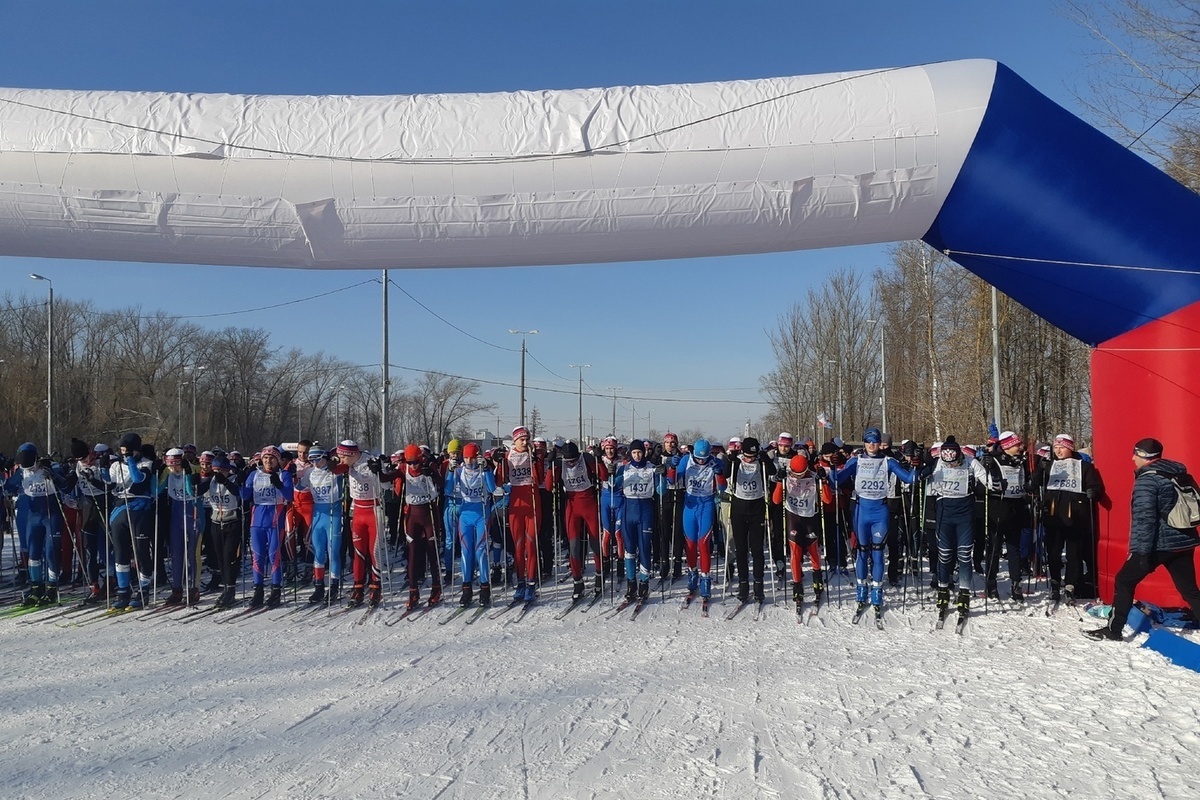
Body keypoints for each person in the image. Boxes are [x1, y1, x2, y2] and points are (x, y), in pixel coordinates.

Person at [1087, 438, 1200, 640]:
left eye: (1135, 454)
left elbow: (1145, 519)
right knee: (1189, 590)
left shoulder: (1148, 479)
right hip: (1184, 542)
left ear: (1145, 457)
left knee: (1123, 581)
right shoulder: (1177, 472)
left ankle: (1113, 630)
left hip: (1158, 544)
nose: (1132, 458)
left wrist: (1140, 553)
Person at [834, 427, 916, 620]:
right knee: (863, 552)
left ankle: (877, 593)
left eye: (875, 441)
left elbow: (910, 479)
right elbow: (835, 482)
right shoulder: (856, 461)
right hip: (861, 511)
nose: (872, 445)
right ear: (864, 442)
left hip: (880, 511)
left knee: (878, 553)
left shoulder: (889, 462)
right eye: (868, 441)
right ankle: (862, 589)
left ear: (880, 443)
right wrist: (832, 466)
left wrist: (916, 465)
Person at [920, 436, 992, 624]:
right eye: (947, 463)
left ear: (959, 456)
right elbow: (919, 476)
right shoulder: (937, 463)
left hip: (964, 514)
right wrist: (919, 469)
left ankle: (964, 594)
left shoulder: (970, 462)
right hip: (944, 513)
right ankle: (943, 590)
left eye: (954, 462)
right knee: (944, 554)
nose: (951, 466)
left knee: (964, 555)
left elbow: (990, 482)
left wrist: (995, 478)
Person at [1031, 433, 1104, 603]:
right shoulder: (1050, 465)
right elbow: (1034, 485)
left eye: (1062, 447)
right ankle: (1055, 582)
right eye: (1056, 447)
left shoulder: (1084, 466)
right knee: (1054, 552)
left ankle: (1071, 584)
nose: (1058, 451)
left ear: (1070, 448)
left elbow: (1097, 487)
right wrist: (1039, 469)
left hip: (1075, 517)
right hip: (1053, 516)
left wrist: (1093, 492)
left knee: (1074, 554)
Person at [4, 442, 66, 605]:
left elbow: (65, 484)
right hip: (33, 517)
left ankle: (52, 587)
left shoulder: (48, 467)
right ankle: (36, 587)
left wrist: (52, 474)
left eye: (30, 465)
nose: (28, 470)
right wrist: (6, 473)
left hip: (51, 515)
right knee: (33, 553)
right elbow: (8, 487)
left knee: (51, 552)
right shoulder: (21, 472)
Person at [331, 440, 391, 608]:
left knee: (374, 552)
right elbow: (335, 470)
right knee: (358, 552)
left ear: (351, 455)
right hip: (357, 511)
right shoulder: (347, 464)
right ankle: (358, 587)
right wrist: (330, 465)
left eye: (342, 456)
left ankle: (375, 587)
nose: (340, 459)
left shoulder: (370, 461)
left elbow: (387, 485)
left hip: (374, 509)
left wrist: (378, 471)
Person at [103, 432, 155, 609]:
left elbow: (138, 480)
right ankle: (123, 590)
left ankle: (143, 589)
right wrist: (101, 471)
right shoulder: (116, 465)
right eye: (122, 450)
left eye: (127, 450)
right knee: (120, 553)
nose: (123, 453)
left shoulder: (146, 463)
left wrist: (131, 461)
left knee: (141, 552)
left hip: (139, 509)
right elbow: (109, 484)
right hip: (119, 510)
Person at [978, 431, 1031, 602]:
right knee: (994, 548)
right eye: (1017, 445)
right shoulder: (992, 460)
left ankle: (1016, 584)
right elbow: (979, 487)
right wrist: (993, 486)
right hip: (997, 508)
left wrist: (1030, 487)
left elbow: (1026, 481)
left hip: (1016, 508)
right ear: (1008, 446)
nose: (1020, 447)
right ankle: (991, 583)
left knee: (1014, 548)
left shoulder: (1021, 461)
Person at [239, 445, 293, 609]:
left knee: (274, 556)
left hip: (275, 521)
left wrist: (279, 485)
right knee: (258, 556)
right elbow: (244, 496)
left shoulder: (284, 474)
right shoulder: (255, 474)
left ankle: (276, 591)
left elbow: (289, 495)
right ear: (261, 459)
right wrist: (238, 482)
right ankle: (258, 590)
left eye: (272, 458)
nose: (268, 461)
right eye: (265, 458)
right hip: (257, 522)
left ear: (277, 460)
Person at [494, 426, 544, 602]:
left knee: (531, 545)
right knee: (518, 546)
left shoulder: (532, 454)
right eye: (521, 439)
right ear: (514, 440)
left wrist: (537, 460)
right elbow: (499, 482)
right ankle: (521, 582)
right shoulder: (509, 456)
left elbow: (540, 480)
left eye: (527, 439)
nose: (525, 442)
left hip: (532, 503)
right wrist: (498, 463)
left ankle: (531, 583)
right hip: (516, 505)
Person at [674, 439, 725, 604]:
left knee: (703, 544)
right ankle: (692, 574)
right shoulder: (685, 460)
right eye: (698, 458)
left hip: (707, 505)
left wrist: (719, 473)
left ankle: (705, 579)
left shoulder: (714, 461)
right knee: (690, 544)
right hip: (690, 505)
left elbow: (723, 487)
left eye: (704, 458)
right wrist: (671, 468)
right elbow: (673, 481)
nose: (701, 461)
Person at [772, 453, 824, 608]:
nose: (796, 477)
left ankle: (817, 579)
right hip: (793, 517)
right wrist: (780, 482)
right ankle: (797, 586)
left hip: (809, 518)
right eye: (793, 473)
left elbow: (827, 500)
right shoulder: (787, 476)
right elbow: (775, 500)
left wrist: (825, 481)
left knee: (813, 550)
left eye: (799, 474)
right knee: (795, 552)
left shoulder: (814, 477)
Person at [395, 443, 444, 610]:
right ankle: (413, 592)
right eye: (409, 462)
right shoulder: (404, 468)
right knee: (413, 553)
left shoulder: (428, 466)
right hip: (412, 516)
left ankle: (436, 588)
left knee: (432, 551)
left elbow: (442, 483)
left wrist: (432, 474)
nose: (413, 465)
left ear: (421, 458)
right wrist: (378, 470)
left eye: (415, 462)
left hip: (429, 513)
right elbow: (386, 479)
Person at [723, 436, 771, 603]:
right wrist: (729, 461)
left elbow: (772, 472)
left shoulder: (761, 462)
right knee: (741, 549)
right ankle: (744, 584)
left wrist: (766, 459)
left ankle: (759, 585)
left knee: (757, 549)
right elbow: (724, 474)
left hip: (757, 508)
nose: (750, 459)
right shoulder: (737, 462)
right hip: (739, 509)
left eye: (754, 456)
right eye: (748, 456)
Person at [554, 441, 602, 600]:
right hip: (572, 506)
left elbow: (603, 476)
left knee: (595, 543)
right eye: (569, 461)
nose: (572, 464)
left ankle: (599, 576)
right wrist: (550, 465)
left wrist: (599, 460)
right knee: (573, 546)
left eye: (574, 460)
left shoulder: (586, 458)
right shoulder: (561, 463)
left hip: (589, 504)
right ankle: (577, 582)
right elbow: (548, 486)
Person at [453, 442, 497, 607]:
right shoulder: (459, 470)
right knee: (466, 552)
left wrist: (486, 470)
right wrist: (450, 472)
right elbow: (449, 489)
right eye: (466, 457)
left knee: (481, 551)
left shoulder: (482, 469)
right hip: (465, 516)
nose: (469, 461)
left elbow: (492, 488)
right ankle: (466, 589)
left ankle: (485, 589)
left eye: (472, 457)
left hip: (481, 515)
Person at [198, 455, 244, 608]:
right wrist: (193, 482)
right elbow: (197, 491)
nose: (218, 474)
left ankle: (230, 590)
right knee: (219, 558)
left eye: (222, 471)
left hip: (232, 522)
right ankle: (225, 588)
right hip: (216, 522)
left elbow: (237, 492)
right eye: (215, 470)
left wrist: (225, 481)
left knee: (229, 557)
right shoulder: (210, 481)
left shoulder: (234, 478)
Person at [160, 447, 202, 606]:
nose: (172, 469)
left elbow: (191, 491)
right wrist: (158, 474)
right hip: (177, 515)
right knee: (177, 554)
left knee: (193, 554)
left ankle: (194, 588)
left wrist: (187, 474)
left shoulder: (195, 469)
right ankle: (177, 589)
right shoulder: (168, 471)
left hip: (194, 514)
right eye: (169, 465)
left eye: (175, 465)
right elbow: (155, 490)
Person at [617, 439, 657, 601]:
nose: (637, 455)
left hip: (646, 510)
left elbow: (662, 491)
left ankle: (644, 583)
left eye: (639, 452)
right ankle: (631, 583)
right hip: (629, 511)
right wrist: (613, 474)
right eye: (634, 453)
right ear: (630, 453)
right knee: (630, 550)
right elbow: (613, 485)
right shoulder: (624, 468)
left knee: (645, 548)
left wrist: (662, 474)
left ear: (644, 452)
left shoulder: (652, 468)